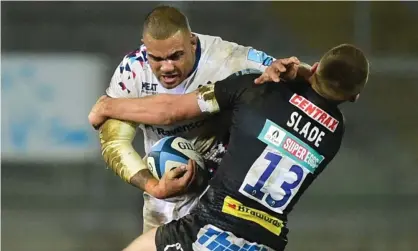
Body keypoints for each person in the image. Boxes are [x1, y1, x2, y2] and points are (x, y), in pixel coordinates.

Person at [111, 43, 370, 251]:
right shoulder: (335, 133)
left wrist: (107, 107)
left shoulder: (255, 89)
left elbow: (170, 112)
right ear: (354, 97)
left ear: (314, 68)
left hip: (212, 229)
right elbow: (311, 105)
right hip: (268, 242)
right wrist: (294, 76)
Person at [88, 5, 309, 233]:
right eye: (157, 58)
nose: (167, 67)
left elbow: (300, 72)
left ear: (192, 42)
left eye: (176, 56)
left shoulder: (227, 58)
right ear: (145, 48)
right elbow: (114, 141)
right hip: (165, 197)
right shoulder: (132, 71)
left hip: (220, 193)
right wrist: (154, 187)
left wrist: (295, 72)